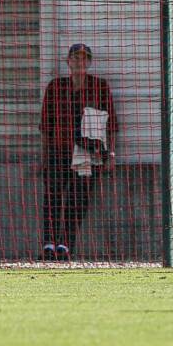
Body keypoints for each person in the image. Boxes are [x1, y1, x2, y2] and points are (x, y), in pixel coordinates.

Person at [39, 43, 118, 261]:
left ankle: (65, 245)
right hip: (58, 151)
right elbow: (46, 125)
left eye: (84, 59)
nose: (79, 62)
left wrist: (110, 153)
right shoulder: (55, 87)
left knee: (78, 199)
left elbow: (111, 123)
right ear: (68, 62)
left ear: (89, 62)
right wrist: (44, 157)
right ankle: (48, 244)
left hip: (87, 155)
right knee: (52, 198)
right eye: (75, 58)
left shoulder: (99, 87)